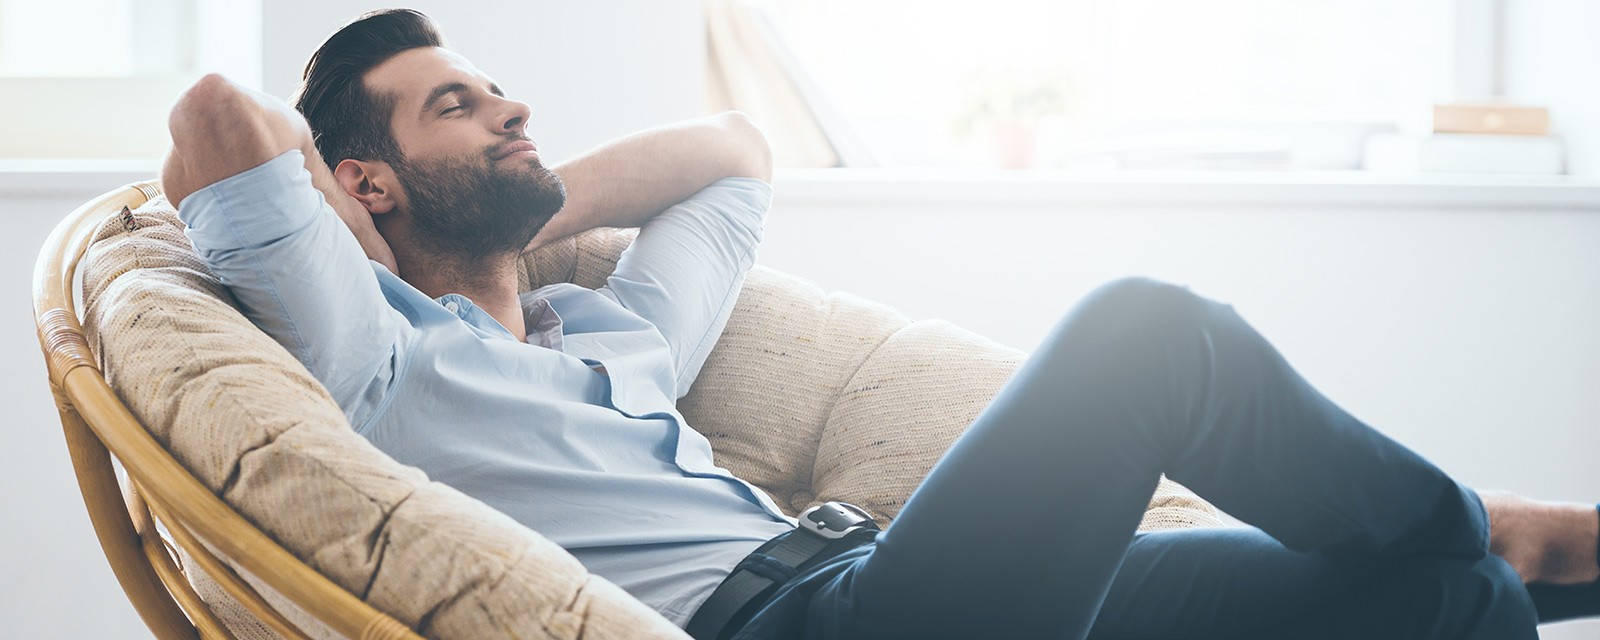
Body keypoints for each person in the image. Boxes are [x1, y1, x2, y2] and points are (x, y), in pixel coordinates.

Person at [159, 8, 1600, 640]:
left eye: (495, 86)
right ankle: (1506, 521)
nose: (512, 107)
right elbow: (216, 122)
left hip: (893, 583)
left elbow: (738, 151)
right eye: (457, 106)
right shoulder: (380, 357)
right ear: (361, 183)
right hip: (796, 636)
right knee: (1146, 335)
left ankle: (1483, 556)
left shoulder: (611, 327)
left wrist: (513, 208)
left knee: (1446, 608)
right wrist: (381, 235)